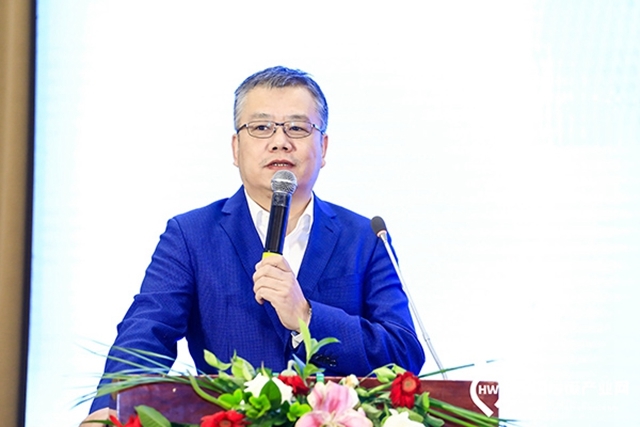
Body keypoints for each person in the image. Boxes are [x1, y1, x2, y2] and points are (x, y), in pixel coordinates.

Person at [81, 66, 425, 424]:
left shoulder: (365, 238)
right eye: (261, 128)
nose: (280, 142)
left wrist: (307, 317)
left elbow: (403, 355)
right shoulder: (191, 235)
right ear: (236, 148)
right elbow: (145, 335)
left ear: (322, 147)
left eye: (297, 128)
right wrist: (109, 410)